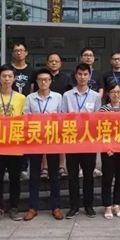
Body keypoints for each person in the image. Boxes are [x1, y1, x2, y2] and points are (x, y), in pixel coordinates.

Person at [0, 64, 27, 223]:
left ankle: (14, 208)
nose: (7, 79)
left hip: (15, 145)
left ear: (14, 78)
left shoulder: (21, 98)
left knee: (15, 179)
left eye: (10, 76)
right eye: (4, 76)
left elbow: (25, 120)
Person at [61, 63, 102, 219]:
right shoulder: (67, 95)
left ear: (89, 76)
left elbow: (98, 118)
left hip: (88, 141)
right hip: (72, 140)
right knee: (72, 175)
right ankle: (74, 206)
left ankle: (88, 206)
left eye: (85, 74)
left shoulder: (95, 96)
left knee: (88, 175)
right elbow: (63, 116)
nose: (82, 77)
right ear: (75, 75)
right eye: (80, 74)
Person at [23, 69, 64, 221]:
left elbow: (62, 117)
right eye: (40, 79)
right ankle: (32, 208)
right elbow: (25, 117)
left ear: (51, 81)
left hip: (52, 139)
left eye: (46, 79)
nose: (43, 82)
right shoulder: (30, 98)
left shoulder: (58, 97)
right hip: (35, 140)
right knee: (34, 175)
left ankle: (56, 207)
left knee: (54, 175)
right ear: (37, 82)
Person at [99, 83, 120, 219]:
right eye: (113, 92)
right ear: (108, 94)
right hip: (108, 149)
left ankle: (116, 204)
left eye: (118, 92)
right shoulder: (103, 109)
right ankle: (107, 205)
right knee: (107, 177)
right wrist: (107, 146)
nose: (116, 94)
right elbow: (101, 129)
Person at [44, 52, 70, 180]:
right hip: (44, 113)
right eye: (51, 61)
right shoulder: (43, 76)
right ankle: (44, 168)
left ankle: (61, 166)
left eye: (56, 61)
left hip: (60, 113)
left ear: (60, 63)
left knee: (61, 140)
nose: (54, 63)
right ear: (47, 63)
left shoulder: (66, 78)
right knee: (43, 141)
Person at [11, 42, 34, 181]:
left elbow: (32, 89)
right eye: (16, 50)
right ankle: (11, 167)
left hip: (25, 108)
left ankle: (24, 168)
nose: (19, 53)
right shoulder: (8, 69)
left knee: (26, 138)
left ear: (26, 53)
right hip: (11, 108)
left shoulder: (31, 71)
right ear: (13, 53)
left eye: (21, 50)